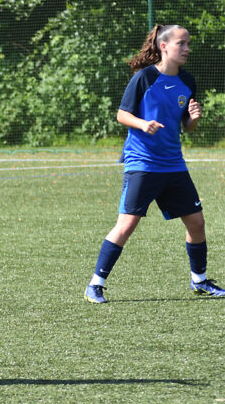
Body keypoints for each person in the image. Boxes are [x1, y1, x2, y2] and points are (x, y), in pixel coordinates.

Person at [84, 24, 225, 303]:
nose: (186, 49)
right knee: (127, 225)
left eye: (188, 44)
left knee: (196, 222)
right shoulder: (144, 78)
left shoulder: (187, 81)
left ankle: (199, 281)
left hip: (173, 164)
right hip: (142, 163)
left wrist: (193, 118)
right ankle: (95, 284)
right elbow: (122, 115)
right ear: (164, 46)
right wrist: (142, 123)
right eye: (181, 44)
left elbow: (187, 126)